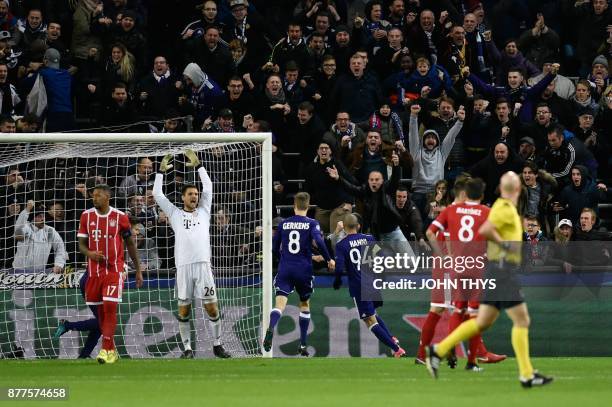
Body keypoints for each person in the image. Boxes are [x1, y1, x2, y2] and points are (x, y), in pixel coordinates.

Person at [426, 171, 553, 388]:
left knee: (481, 321)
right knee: (521, 320)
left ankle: (437, 351)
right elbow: (485, 229)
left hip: (494, 269)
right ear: (517, 189)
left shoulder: (498, 208)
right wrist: (504, 246)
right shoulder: (501, 208)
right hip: (502, 270)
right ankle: (526, 374)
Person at [153, 150, 231, 359]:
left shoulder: (205, 210)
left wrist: (199, 166)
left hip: (203, 266)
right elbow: (157, 195)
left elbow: (209, 187)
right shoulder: (175, 214)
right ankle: (187, 349)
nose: (195, 196)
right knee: (184, 312)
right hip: (183, 267)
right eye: (190, 194)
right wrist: (160, 172)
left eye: (196, 194)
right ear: (183, 197)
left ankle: (217, 344)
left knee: (212, 309)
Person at [77, 184, 144, 364]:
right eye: (93, 195)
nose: (94, 198)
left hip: (114, 270)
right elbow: (81, 244)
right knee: (101, 314)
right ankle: (111, 350)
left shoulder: (120, 217)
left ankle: (105, 349)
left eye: (98, 195)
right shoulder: (86, 216)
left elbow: (130, 244)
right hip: (93, 273)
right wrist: (90, 254)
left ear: (108, 197)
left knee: (110, 307)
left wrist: (137, 269)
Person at [263, 192, 334, 356]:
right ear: (308, 207)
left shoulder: (284, 223)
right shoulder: (312, 223)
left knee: (279, 305)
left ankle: (271, 327)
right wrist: (329, 259)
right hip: (303, 269)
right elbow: (320, 241)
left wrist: (283, 260)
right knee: (304, 304)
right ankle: (302, 344)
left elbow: (274, 248)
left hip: (285, 268)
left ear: (294, 206)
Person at [334, 213, 407, 357]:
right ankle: (391, 337)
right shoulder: (369, 239)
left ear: (345, 228)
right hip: (372, 282)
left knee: (369, 320)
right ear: (358, 226)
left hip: (359, 286)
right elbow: (381, 259)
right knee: (372, 314)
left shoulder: (341, 245)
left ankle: (397, 349)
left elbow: (339, 267)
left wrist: (337, 280)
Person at [13, 201, 67, 273]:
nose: (43, 219)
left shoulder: (50, 231)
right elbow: (17, 230)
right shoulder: (26, 228)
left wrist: (59, 264)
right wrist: (27, 209)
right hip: (19, 271)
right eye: (39, 216)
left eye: (43, 216)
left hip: (39, 273)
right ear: (33, 219)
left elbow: (60, 248)